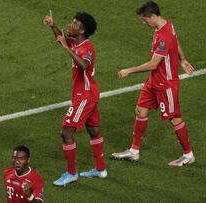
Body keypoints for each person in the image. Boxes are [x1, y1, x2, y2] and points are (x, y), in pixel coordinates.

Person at [111, 1, 195, 166]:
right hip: (153, 81)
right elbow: (176, 41)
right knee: (140, 110)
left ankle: (188, 155)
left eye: (145, 19)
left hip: (166, 84)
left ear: (154, 16)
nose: (144, 23)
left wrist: (129, 70)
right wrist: (183, 59)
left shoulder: (163, 36)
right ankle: (134, 151)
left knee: (175, 118)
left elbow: (153, 64)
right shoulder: (167, 26)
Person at [43, 10, 107, 187]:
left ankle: (71, 173)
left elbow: (84, 64)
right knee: (93, 130)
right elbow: (61, 38)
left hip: (84, 97)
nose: (71, 25)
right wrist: (52, 26)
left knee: (66, 132)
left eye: (75, 23)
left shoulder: (87, 48)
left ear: (82, 30)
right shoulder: (75, 42)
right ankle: (101, 169)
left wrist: (65, 47)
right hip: (89, 94)